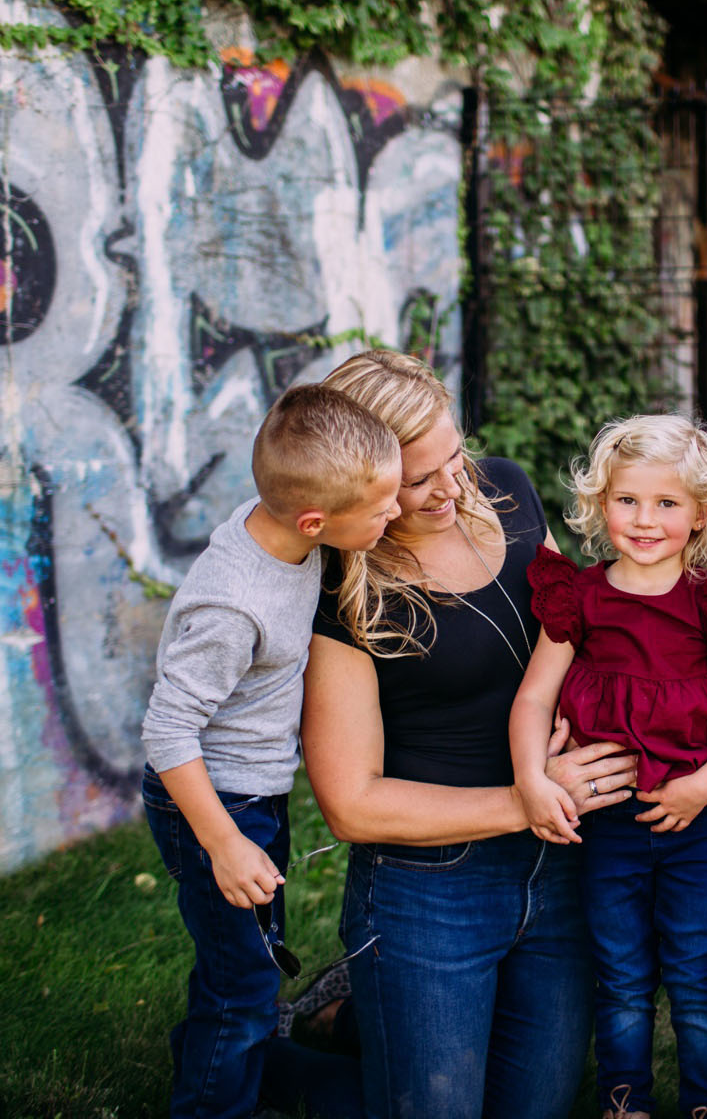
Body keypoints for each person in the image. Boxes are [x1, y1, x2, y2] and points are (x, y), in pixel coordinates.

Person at [301, 348, 641, 1119]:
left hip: (558, 868)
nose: (451, 488)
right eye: (417, 481)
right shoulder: (343, 583)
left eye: (454, 458)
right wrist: (527, 800)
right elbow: (351, 805)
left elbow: (570, 636)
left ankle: (354, 1022)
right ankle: (267, 1063)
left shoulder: (508, 490)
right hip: (431, 887)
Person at [139, 384, 404, 1119]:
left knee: (241, 961)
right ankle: (213, 1105)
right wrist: (222, 842)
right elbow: (166, 731)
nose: (397, 511)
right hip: (216, 800)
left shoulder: (285, 527)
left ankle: (213, 1061)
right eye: (381, 507)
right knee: (246, 984)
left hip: (247, 791)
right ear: (316, 520)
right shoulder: (233, 605)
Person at [510, 414, 707, 1119]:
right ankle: (625, 1104)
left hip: (697, 826)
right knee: (622, 979)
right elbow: (534, 698)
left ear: (699, 514)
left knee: (696, 979)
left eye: (666, 503)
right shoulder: (581, 600)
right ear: (601, 505)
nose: (645, 519)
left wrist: (705, 786)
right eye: (628, 500)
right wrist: (532, 779)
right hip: (607, 824)